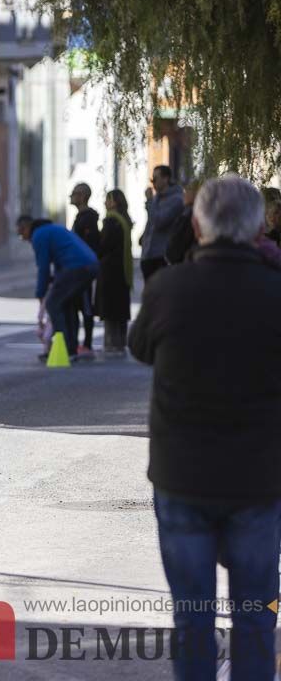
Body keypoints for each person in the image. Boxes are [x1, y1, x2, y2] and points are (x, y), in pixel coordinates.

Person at [129, 174, 281, 680]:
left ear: (196, 224)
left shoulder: (169, 288)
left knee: (191, 616)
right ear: (260, 227)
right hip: (260, 479)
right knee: (256, 615)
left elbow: (139, 347)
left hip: (182, 478)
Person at [16, 215, 99, 360]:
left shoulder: (39, 236)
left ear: (26, 228)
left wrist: (41, 294)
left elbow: (43, 267)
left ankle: (64, 348)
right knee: (67, 304)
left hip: (77, 267)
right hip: (90, 264)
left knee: (53, 304)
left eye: (21, 234)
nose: (23, 238)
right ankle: (71, 348)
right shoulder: (52, 229)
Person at [96, 189, 133, 354]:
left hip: (109, 270)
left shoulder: (111, 221)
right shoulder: (125, 220)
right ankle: (121, 341)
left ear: (114, 202)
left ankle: (111, 342)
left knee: (110, 308)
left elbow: (103, 245)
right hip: (123, 270)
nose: (105, 203)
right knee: (120, 308)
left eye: (108, 200)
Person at [68, 183, 101, 357]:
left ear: (82, 196)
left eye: (73, 193)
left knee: (85, 305)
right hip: (75, 269)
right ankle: (77, 342)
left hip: (83, 270)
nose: (70, 196)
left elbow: (91, 244)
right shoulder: (80, 217)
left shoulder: (88, 218)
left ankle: (87, 343)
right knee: (76, 306)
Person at [140, 164, 184, 282]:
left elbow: (159, 221)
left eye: (155, 179)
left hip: (162, 256)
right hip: (148, 256)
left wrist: (149, 201)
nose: (153, 182)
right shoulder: (156, 198)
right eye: (151, 179)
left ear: (166, 179)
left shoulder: (176, 200)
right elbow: (150, 223)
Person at [165, 180, 201, 265]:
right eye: (185, 191)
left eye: (188, 191)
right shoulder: (185, 212)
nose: (184, 194)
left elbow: (182, 239)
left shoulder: (191, 214)